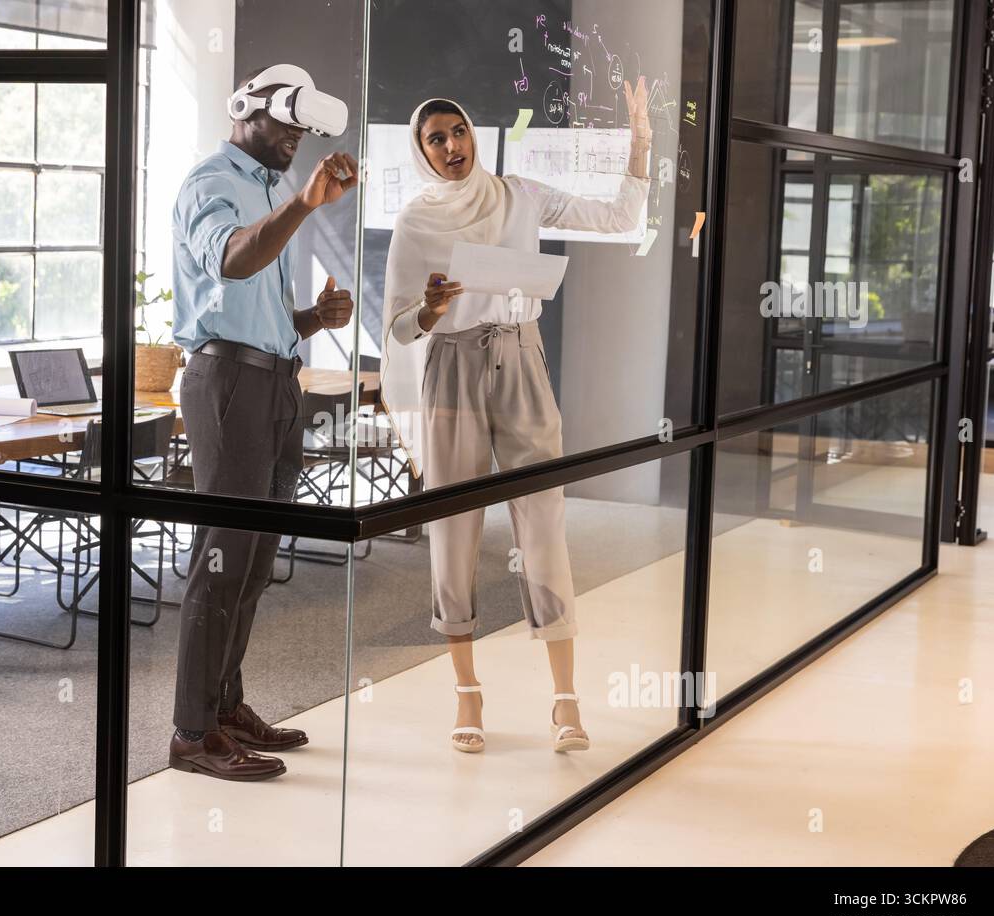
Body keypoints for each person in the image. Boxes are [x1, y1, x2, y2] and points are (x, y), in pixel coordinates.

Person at [379, 82, 652, 754]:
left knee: (545, 526)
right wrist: (434, 310)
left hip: (522, 361)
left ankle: (566, 700)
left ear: (474, 133)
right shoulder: (416, 222)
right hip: (452, 370)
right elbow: (398, 324)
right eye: (436, 139)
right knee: (455, 528)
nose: (451, 146)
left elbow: (618, 217)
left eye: (458, 132)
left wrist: (640, 139)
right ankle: (467, 694)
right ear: (422, 151)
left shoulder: (520, 195)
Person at [168, 64, 358, 782]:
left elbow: (262, 312)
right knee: (218, 563)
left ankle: (224, 705)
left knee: (251, 563)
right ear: (246, 110)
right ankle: (191, 733)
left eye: (302, 131)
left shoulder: (270, 188)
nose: (295, 141)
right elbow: (232, 260)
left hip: (275, 383)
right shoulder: (211, 183)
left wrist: (314, 317)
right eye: (286, 125)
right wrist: (308, 204)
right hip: (227, 387)